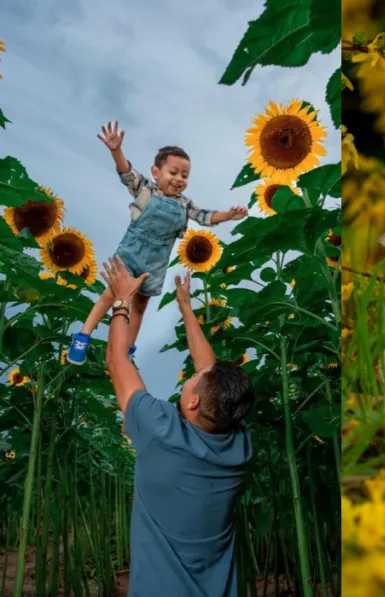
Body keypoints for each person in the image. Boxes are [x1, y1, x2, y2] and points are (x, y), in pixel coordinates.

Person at [100, 255, 255, 596]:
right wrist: (186, 307)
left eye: (194, 378)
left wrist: (122, 300)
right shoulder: (237, 443)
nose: (195, 371)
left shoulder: (160, 431)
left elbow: (116, 359)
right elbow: (210, 372)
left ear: (194, 401)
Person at [67, 121, 248, 365]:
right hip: (132, 253)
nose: (179, 179)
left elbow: (204, 216)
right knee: (111, 295)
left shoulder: (185, 204)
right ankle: (83, 335)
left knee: (140, 306)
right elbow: (126, 173)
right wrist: (115, 150)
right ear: (156, 173)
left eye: (185, 175)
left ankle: (127, 351)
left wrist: (228, 215)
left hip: (156, 262)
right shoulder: (145, 191)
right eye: (173, 172)